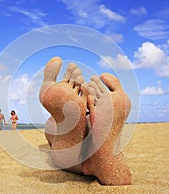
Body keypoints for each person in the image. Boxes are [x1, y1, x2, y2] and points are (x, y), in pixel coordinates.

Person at [39, 57, 131, 185]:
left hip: (69, 149)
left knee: (51, 128)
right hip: (89, 132)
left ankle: (48, 82)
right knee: (76, 134)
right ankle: (98, 157)